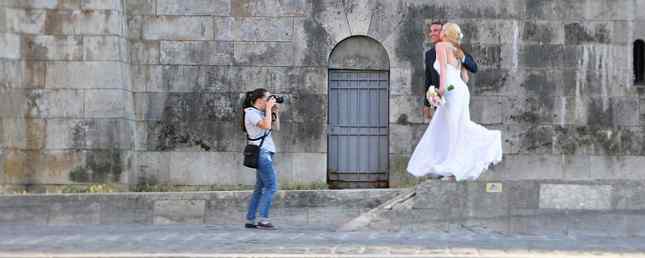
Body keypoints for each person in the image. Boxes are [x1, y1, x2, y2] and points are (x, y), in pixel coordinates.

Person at [408, 23, 503, 181]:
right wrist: (432, 98)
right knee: (454, 127)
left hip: (451, 91)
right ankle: (452, 166)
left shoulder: (441, 47)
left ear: (444, 33)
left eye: (439, 30)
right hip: (460, 90)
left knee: (454, 128)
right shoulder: (457, 50)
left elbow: (444, 73)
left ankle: (456, 165)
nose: (435, 34)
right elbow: (464, 78)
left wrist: (439, 92)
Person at [241, 88, 280, 230]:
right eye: (268, 98)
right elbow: (266, 125)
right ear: (260, 99)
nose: (270, 100)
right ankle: (263, 220)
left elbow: (275, 127)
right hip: (262, 153)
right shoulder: (250, 113)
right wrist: (268, 109)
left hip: (266, 152)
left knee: (259, 189)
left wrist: (274, 110)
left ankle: (250, 220)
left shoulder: (261, 113)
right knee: (271, 186)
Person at [423, 20, 478, 120]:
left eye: (436, 30)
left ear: (445, 32)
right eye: (431, 31)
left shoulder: (457, 48)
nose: (432, 33)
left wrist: (463, 58)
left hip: (451, 94)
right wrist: (427, 104)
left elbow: (474, 68)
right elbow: (428, 79)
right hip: (439, 99)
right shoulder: (429, 54)